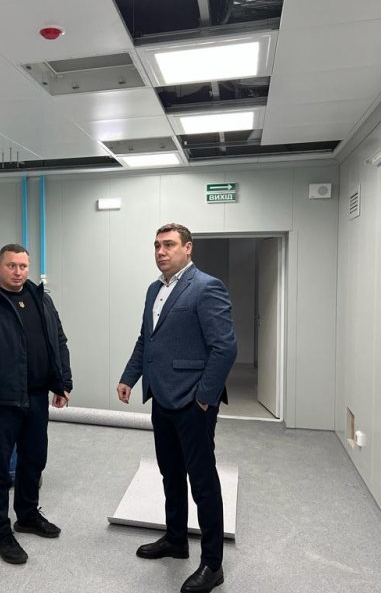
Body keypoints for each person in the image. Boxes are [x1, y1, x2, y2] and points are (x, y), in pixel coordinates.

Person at [117, 224, 237, 593]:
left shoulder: (206, 287)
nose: (161, 251)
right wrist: (130, 376)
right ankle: (175, 538)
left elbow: (225, 347)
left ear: (188, 248)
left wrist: (204, 397)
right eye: (156, 245)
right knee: (170, 473)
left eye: (169, 245)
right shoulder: (154, 289)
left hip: (192, 402)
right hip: (161, 397)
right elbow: (147, 339)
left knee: (202, 481)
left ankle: (212, 564)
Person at [0, 243, 72, 564]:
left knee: (34, 460)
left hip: (36, 397)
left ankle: (27, 515)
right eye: (11, 266)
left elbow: (58, 341)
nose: (18, 272)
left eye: (23, 266)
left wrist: (62, 382)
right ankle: (0, 532)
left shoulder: (41, 300)